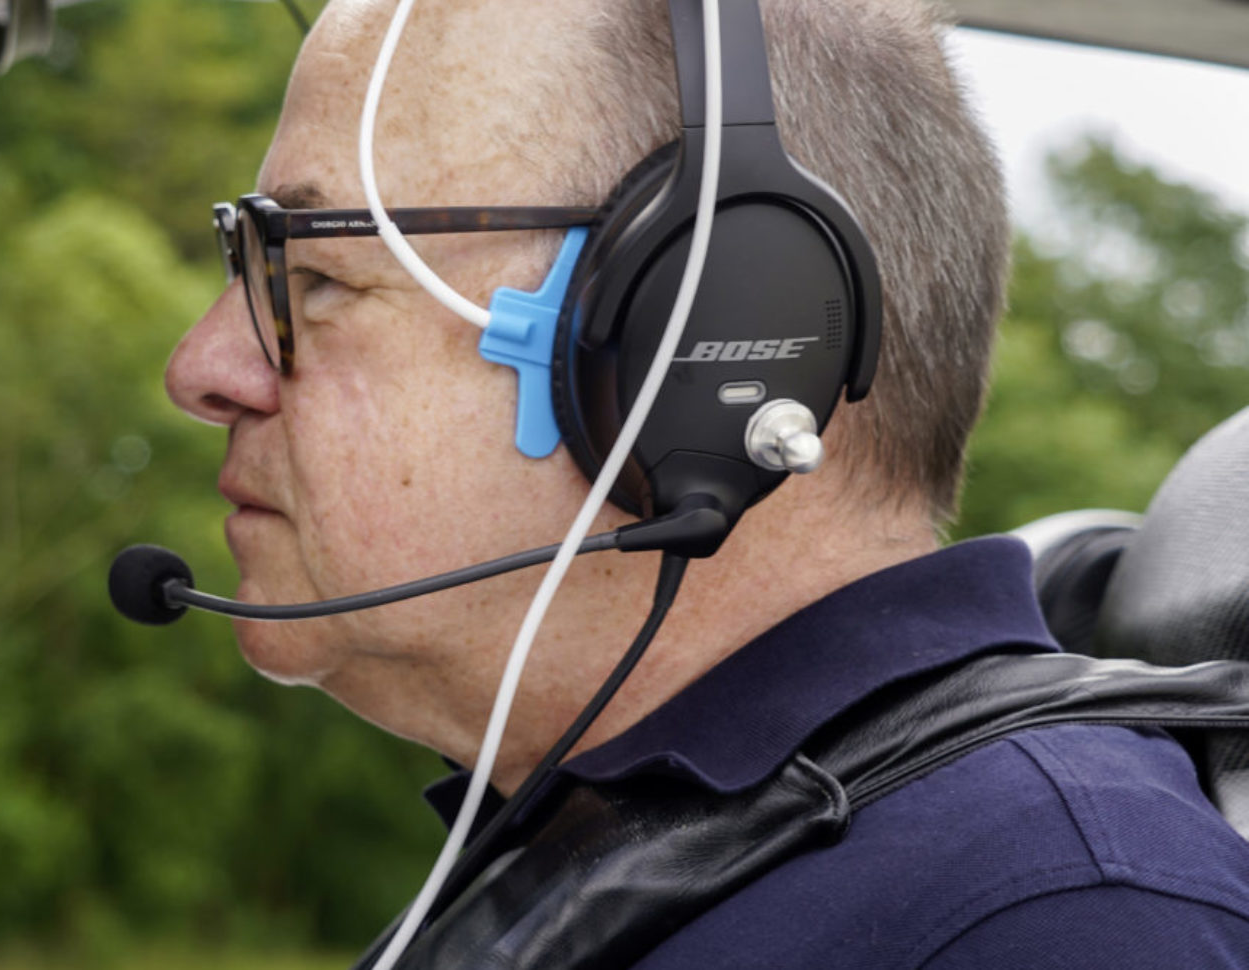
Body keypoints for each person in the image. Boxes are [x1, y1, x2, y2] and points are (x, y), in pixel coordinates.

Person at [163, 0, 1249, 966]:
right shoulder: (581, 865)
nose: (204, 367)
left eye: (313, 272)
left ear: (710, 332)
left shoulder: (1061, 918)